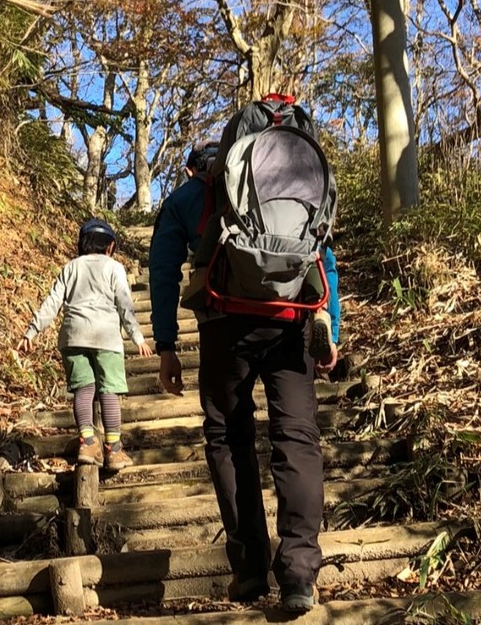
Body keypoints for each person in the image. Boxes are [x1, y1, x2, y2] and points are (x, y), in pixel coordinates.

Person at [148, 141, 340, 612]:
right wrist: (330, 324)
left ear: (195, 169)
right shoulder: (289, 184)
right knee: (297, 437)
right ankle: (298, 574)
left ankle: (250, 570)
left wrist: (167, 344)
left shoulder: (189, 198)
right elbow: (325, 256)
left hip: (224, 321)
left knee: (228, 435)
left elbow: (163, 268)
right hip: (292, 315)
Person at [20, 219, 153, 471]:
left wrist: (32, 330)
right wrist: (137, 337)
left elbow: (53, 301)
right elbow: (125, 306)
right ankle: (113, 449)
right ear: (111, 246)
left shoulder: (70, 268)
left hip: (74, 335)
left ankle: (88, 443)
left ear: (81, 244)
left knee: (84, 389)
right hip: (106, 337)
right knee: (108, 390)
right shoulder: (114, 268)